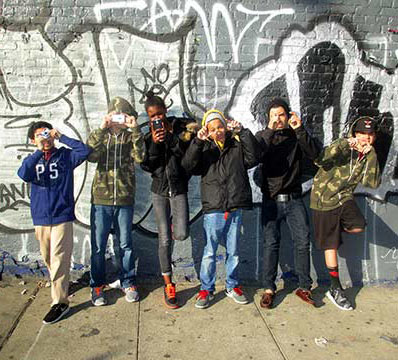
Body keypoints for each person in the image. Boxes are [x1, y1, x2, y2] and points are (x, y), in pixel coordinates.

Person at [182, 109, 259, 309]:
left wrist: (243, 132)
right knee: (210, 251)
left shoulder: (236, 145)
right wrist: (198, 142)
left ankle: (232, 285)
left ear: (225, 127)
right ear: (207, 130)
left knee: (233, 251)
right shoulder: (205, 149)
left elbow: (254, 157)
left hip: (234, 206)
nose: (218, 131)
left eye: (220, 127)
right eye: (213, 128)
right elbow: (189, 165)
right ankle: (206, 289)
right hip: (214, 208)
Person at [17, 121, 91, 324]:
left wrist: (62, 137)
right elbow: (23, 174)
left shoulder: (65, 156)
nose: (45, 138)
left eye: (47, 134)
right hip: (40, 216)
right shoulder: (32, 159)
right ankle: (62, 285)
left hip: (61, 215)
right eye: (40, 135)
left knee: (58, 257)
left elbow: (84, 151)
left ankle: (60, 302)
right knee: (49, 258)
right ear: (33, 140)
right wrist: (38, 152)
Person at [255, 98, 321, 309]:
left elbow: (315, 155)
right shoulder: (264, 138)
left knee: (303, 242)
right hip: (271, 202)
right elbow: (254, 156)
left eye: (281, 114)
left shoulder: (296, 136)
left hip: (294, 199)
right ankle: (268, 288)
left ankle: (304, 287)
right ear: (268, 118)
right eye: (273, 115)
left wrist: (299, 129)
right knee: (270, 244)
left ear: (288, 115)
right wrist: (269, 131)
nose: (278, 119)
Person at [310, 116, 380, 311]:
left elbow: (372, 183)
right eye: (362, 134)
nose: (365, 138)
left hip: (345, 198)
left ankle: (334, 231)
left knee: (358, 225)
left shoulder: (367, 154)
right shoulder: (343, 146)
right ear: (354, 134)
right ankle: (335, 288)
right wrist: (343, 144)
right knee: (330, 246)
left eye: (370, 134)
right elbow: (320, 159)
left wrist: (372, 155)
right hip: (324, 200)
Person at [140, 92, 197, 309]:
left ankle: (174, 224)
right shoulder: (148, 136)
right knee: (164, 239)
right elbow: (148, 166)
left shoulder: (181, 129)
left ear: (165, 111)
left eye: (159, 114)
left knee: (181, 233)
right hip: (159, 191)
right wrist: (155, 144)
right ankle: (168, 283)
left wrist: (171, 138)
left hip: (179, 189)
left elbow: (187, 156)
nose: (156, 119)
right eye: (151, 116)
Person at [87, 97, 145, 306]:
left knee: (125, 244)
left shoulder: (131, 138)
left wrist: (136, 130)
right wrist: (102, 128)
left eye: (124, 115)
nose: (119, 119)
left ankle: (128, 281)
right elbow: (90, 156)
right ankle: (97, 285)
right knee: (98, 246)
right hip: (101, 199)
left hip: (124, 198)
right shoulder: (102, 137)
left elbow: (140, 158)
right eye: (116, 115)